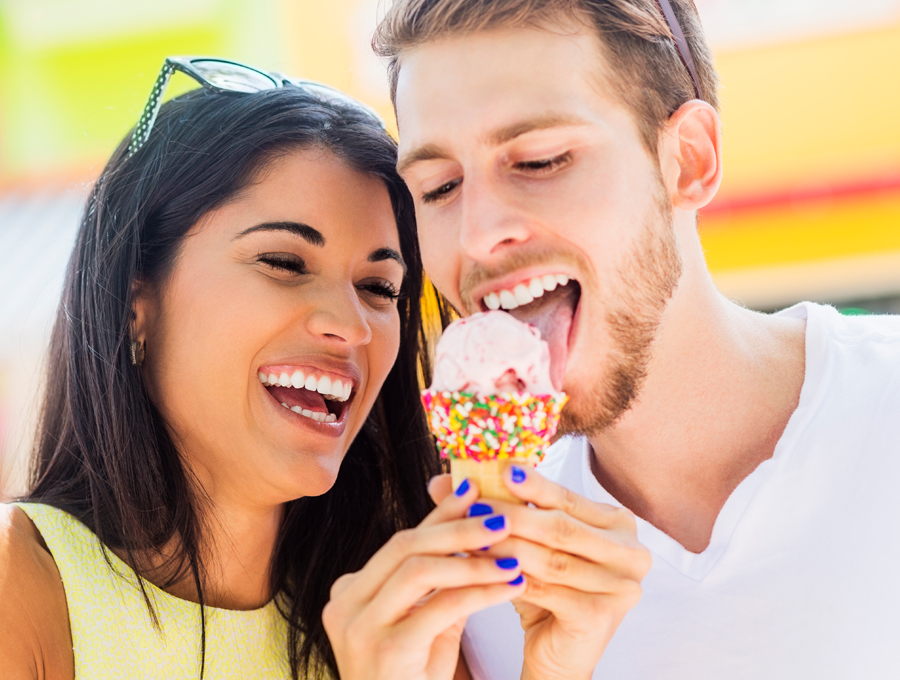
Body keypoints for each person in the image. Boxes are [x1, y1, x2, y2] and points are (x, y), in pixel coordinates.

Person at [0, 58, 646, 680]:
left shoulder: (408, 633)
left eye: (380, 288)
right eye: (283, 263)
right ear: (136, 300)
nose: (350, 325)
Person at [372, 0, 900, 678]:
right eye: (440, 187)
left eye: (539, 161)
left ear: (688, 159)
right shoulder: (465, 589)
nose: (476, 235)